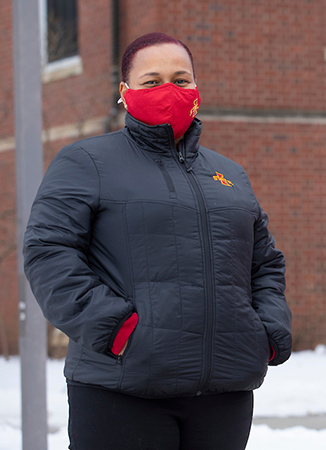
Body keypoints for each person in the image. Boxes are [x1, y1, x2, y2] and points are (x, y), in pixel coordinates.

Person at [24, 32, 292, 450]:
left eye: (181, 79)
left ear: (196, 88)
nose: (169, 90)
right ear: (125, 91)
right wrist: (116, 329)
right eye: (152, 80)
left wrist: (267, 329)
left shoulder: (230, 175)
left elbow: (265, 263)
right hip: (121, 390)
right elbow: (48, 252)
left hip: (223, 393)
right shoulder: (86, 162)